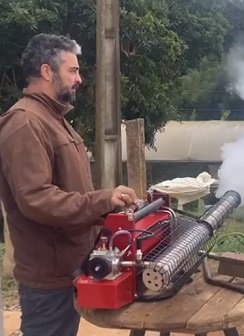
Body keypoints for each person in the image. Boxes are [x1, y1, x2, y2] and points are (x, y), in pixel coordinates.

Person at [0, 33, 140, 336]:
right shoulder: (25, 122)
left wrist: (109, 207)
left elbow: (67, 192)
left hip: (67, 267)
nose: (79, 79)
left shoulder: (52, 118)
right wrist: (103, 200)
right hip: (48, 279)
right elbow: (37, 199)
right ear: (47, 72)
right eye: (72, 70)